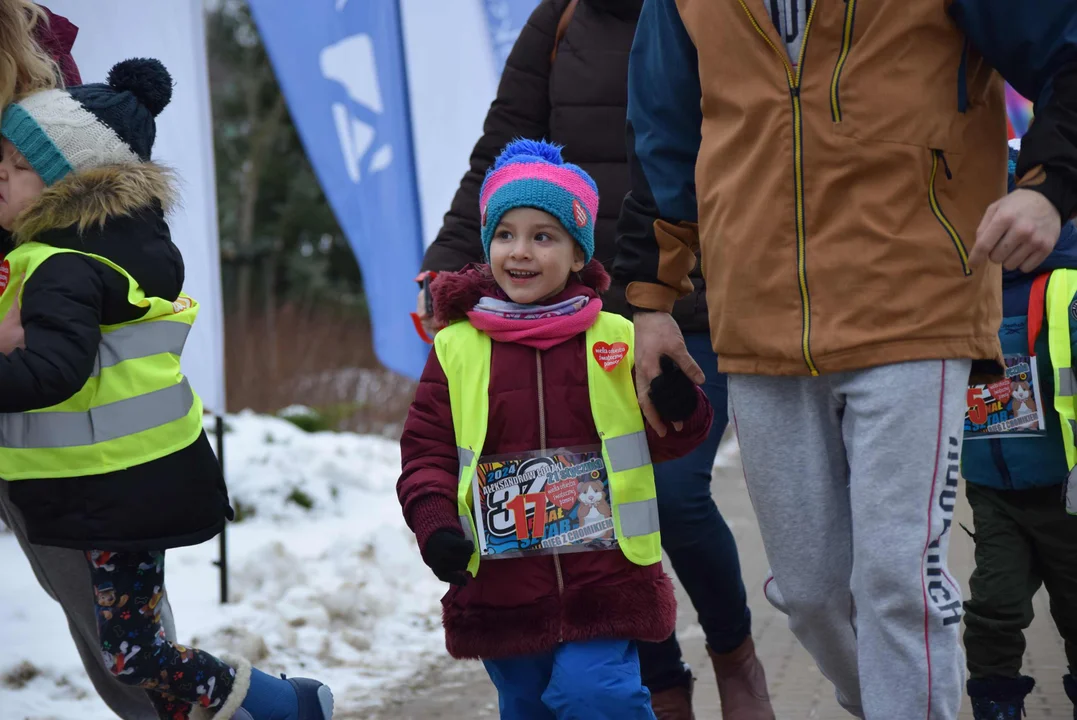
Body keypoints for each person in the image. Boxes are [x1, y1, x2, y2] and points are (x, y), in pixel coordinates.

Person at [613, 1, 1077, 718]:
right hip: (757, 311)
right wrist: (649, 302)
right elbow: (663, 136)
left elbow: (1066, 52)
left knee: (896, 581)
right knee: (809, 594)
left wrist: (1049, 187)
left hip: (919, 301)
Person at [416, 2, 769, 716]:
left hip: (694, 296)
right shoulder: (564, 16)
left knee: (667, 494)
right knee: (580, 489)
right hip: (569, 294)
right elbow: (501, 145)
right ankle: (654, 682)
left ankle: (733, 652)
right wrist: (450, 261)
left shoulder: (720, 11)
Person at [0, 58, 334, 720]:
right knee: (132, 651)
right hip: (117, 486)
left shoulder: (60, 266)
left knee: (133, 655)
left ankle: (287, 703)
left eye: (16, 167)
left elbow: (52, 374)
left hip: (110, 495)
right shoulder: (108, 248)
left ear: (68, 182)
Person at [398, 139, 713, 719]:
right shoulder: (457, 348)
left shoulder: (615, 338)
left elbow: (674, 438)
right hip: (501, 585)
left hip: (606, 578)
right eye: (505, 234)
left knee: (597, 695)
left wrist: (679, 404)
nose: (520, 251)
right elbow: (426, 453)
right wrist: (435, 524)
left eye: (543, 236)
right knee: (528, 706)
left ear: (576, 255)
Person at [0, 4, 176, 719]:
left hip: (68, 444)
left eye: (11, 168)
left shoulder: (43, 77)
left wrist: (40, 297)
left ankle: (238, 702)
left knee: (124, 646)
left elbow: (123, 247)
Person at [959, 145, 1077, 719]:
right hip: (992, 490)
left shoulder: (1066, 284)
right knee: (993, 610)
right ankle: (995, 705)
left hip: (1066, 489)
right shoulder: (956, 290)